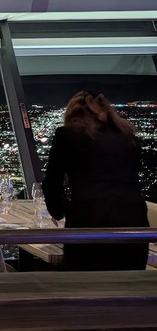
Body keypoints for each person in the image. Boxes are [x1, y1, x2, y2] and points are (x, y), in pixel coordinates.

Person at [41, 90, 148, 271]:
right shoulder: (128, 136)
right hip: (133, 221)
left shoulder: (67, 135)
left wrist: (62, 211)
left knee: (86, 285)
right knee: (129, 283)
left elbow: (52, 182)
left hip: (88, 221)